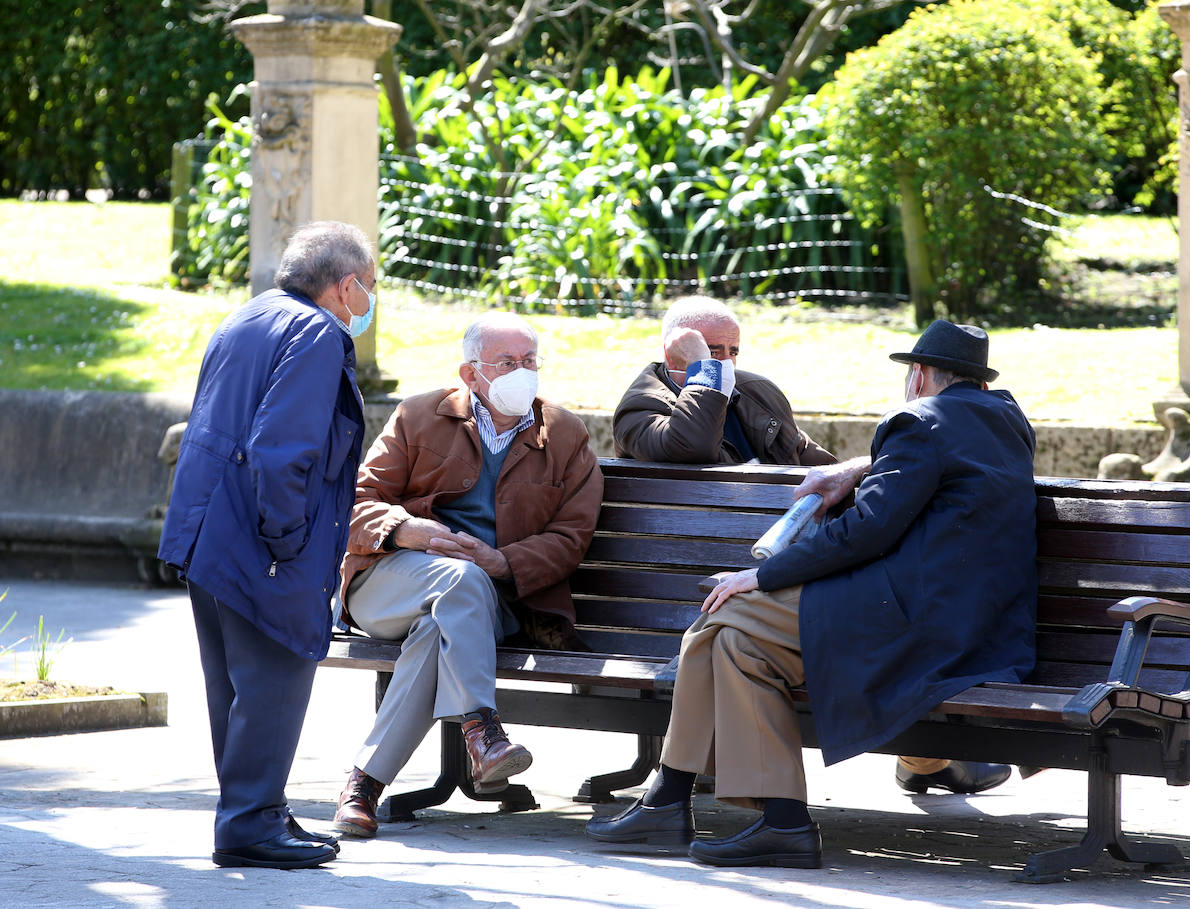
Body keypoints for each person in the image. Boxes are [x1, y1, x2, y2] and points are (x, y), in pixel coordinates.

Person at [586, 320, 1037, 869]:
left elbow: (870, 527)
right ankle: (780, 822)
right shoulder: (1006, 421)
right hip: (974, 620)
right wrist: (860, 465)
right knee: (736, 646)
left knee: (726, 613)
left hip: (913, 618)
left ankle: (672, 798)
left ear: (918, 376)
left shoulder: (917, 422)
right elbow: (944, 462)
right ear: (981, 384)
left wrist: (764, 575)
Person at [331, 311, 603, 839]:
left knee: (445, 620)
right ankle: (482, 729)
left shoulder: (565, 434)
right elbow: (355, 502)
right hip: (391, 584)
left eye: (529, 361)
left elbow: (573, 536)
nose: (520, 372)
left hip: (495, 601)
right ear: (469, 372)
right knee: (458, 580)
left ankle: (363, 785)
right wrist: (403, 528)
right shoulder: (418, 415)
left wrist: (504, 562)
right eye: (506, 363)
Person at [157, 221, 375, 869]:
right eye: (370, 285)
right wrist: (287, 541)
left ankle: (257, 810)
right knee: (274, 678)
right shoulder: (315, 333)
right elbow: (282, 452)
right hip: (263, 537)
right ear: (345, 287)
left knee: (237, 687)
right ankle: (250, 821)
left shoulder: (246, 317)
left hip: (208, 532)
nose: (369, 300)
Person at [612, 295, 837, 466]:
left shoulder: (758, 392)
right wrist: (704, 372)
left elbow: (811, 460)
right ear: (672, 354)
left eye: (734, 352)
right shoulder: (639, 408)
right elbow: (693, 446)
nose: (727, 363)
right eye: (712, 353)